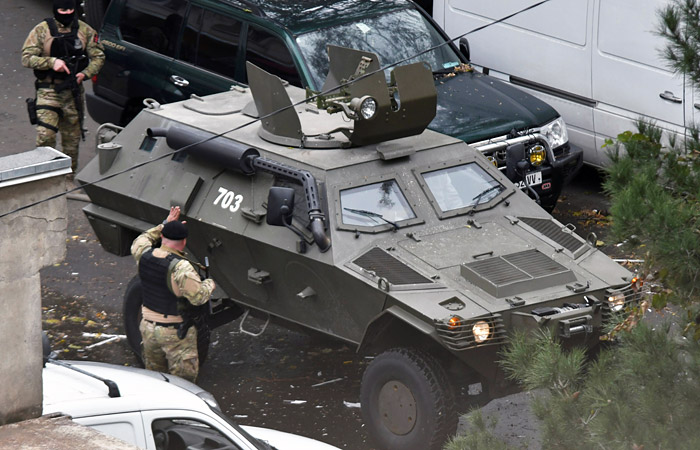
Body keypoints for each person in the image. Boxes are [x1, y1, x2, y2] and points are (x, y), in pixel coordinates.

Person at [130, 206, 216, 382]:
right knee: (183, 384)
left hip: (148, 328)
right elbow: (198, 297)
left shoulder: (143, 253)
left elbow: (143, 238)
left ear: (162, 237)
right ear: (183, 242)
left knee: (155, 379)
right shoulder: (181, 267)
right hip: (175, 332)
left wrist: (165, 223)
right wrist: (209, 283)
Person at [21, 0, 105, 175]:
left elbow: (98, 56)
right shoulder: (42, 30)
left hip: (73, 93)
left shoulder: (84, 30)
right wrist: (52, 62)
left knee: (71, 141)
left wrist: (85, 74)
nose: (66, 13)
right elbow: (27, 58)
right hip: (48, 91)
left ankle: (67, 177)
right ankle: (44, 176)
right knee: (45, 136)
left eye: (70, 10)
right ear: (55, 10)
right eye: (62, 10)